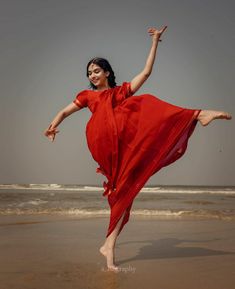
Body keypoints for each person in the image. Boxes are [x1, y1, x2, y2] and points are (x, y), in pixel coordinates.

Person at [44, 26, 232, 272]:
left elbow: (146, 73)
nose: (92, 75)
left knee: (125, 188)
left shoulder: (119, 92)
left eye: (96, 70)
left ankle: (109, 247)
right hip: (102, 144)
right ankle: (197, 115)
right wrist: (53, 126)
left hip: (122, 146)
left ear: (107, 72)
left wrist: (155, 41)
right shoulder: (87, 96)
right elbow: (65, 111)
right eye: (89, 72)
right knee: (122, 186)